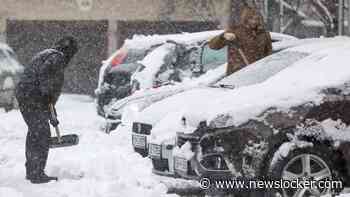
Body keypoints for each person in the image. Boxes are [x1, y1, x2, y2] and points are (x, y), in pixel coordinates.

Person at [16, 36, 78, 184]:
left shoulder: (47, 53)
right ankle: (36, 173)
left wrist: (51, 112)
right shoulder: (57, 57)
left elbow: (46, 87)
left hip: (28, 96)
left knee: (35, 132)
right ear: (69, 51)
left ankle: (32, 171)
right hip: (32, 98)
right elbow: (46, 76)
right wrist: (46, 92)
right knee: (41, 134)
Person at [209, 6, 272, 76]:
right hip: (237, 75)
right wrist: (223, 36)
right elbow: (212, 46)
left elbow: (268, 56)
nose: (254, 21)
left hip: (256, 75)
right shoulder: (235, 31)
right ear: (245, 19)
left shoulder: (264, 34)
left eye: (256, 19)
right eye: (251, 18)